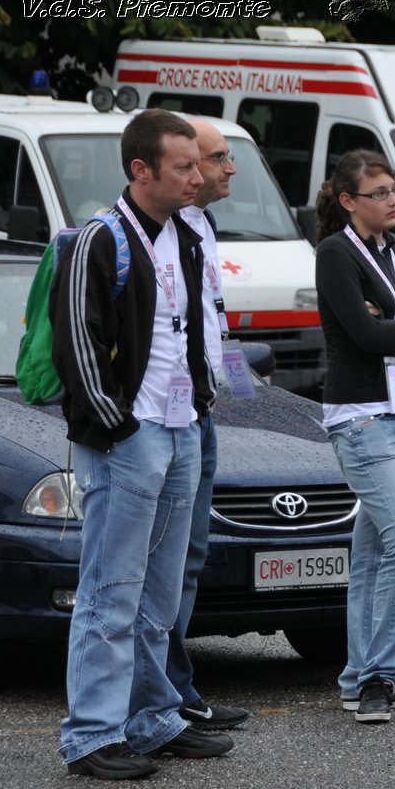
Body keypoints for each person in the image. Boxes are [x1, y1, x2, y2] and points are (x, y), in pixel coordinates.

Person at [52, 109, 233, 779]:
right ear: (140, 169)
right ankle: (92, 733)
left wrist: (200, 408)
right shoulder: (99, 239)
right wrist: (119, 424)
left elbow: (193, 330)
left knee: (158, 593)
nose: (198, 177)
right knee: (110, 588)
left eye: (198, 164)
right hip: (132, 434)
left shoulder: (182, 235)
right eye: (183, 167)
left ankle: (153, 717)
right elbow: (79, 340)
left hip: (181, 426)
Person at [314, 149, 395, 724]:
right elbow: (361, 334)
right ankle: (381, 675)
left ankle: (358, 676)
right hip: (360, 416)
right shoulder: (336, 253)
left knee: (373, 549)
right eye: (380, 192)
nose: (392, 200)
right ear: (348, 201)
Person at [164, 118, 250, 734]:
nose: (224, 169)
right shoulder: (152, 228)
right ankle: (161, 694)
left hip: (201, 410)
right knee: (160, 562)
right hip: (161, 419)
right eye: (217, 157)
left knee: (190, 557)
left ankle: (176, 686)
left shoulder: (203, 224)